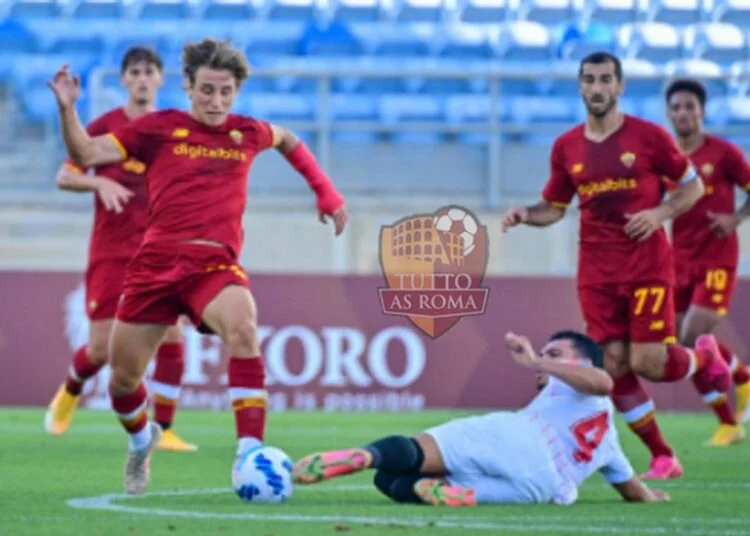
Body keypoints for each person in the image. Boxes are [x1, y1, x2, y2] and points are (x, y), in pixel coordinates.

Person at [47, 38, 349, 495]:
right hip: (154, 267)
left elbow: (289, 140)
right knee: (123, 381)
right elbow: (86, 154)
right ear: (188, 86)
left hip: (212, 265)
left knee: (244, 327)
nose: (217, 101)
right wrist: (68, 110)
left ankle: (249, 452)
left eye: (226, 92)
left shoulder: (247, 133)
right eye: (207, 90)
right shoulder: (157, 129)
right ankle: (141, 440)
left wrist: (326, 192)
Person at [500, 51, 730, 480]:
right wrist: (524, 216)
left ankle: (702, 357)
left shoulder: (649, 137)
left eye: (606, 80)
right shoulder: (567, 146)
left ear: (620, 86)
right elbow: (553, 206)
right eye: (589, 80)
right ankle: (663, 454)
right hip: (596, 272)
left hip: (645, 265)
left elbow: (693, 186)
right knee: (613, 365)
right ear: (580, 86)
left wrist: (659, 215)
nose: (597, 88)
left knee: (645, 360)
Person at [293, 330, 670, 507]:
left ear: (581, 361)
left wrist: (537, 360)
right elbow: (632, 491)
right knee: (390, 481)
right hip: (540, 489)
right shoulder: (609, 445)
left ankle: (363, 455)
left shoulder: (573, 384)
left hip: (518, 439)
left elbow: (604, 380)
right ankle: (442, 492)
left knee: (410, 451)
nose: (545, 359)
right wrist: (652, 498)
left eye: (554, 352)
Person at [44, 46, 197, 453]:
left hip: (160, 252)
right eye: (135, 72)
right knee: (101, 348)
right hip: (111, 251)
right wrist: (98, 182)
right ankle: (71, 389)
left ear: (161, 79)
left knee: (171, 334)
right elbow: (64, 175)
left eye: (150, 71)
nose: (143, 78)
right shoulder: (105, 127)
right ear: (124, 80)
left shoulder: (174, 130)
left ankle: (163, 430)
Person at [665, 78, 750, 445]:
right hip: (677, 259)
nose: (684, 113)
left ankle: (732, 412)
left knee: (695, 335)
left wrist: (736, 218)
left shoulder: (724, 153)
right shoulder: (666, 158)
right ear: (669, 114)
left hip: (717, 259)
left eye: (690, 106)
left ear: (702, 111)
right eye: (677, 107)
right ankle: (739, 391)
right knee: (685, 346)